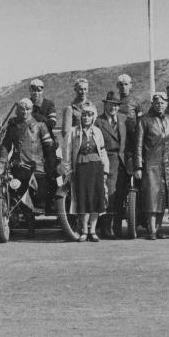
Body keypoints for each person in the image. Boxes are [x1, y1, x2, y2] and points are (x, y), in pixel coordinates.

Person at [134, 92, 169, 240]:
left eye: (163, 103)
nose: (160, 105)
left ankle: (159, 228)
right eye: (157, 102)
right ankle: (151, 229)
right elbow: (137, 145)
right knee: (152, 197)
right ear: (152, 103)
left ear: (167, 104)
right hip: (151, 165)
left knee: (164, 198)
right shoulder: (144, 121)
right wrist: (138, 166)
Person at [1, 98, 57, 237]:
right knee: (17, 195)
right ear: (17, 110)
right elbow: (5, 145)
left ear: (32, 110)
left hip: (37, 167)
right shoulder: (13, 126)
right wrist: (2, 160)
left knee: (40, 196)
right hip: (18, 166)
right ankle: (26, 224)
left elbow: (49, 147)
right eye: (21, 108)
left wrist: (51, 166)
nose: (25, 111)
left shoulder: (41, 125)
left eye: (28, 109)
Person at [61, 104, 110, 242]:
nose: (86, 117)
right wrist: (68, 171)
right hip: (81, 170)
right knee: (82, 199)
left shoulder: (97, 132)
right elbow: (67, 153)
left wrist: (105, 169)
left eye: (89, 115)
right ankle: (84, 231)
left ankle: (93, 231)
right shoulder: (73, 132)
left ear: (93, 117)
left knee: (95, 200)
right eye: (84, 115)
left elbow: (103, 151)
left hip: (96, 169)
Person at [95, 91, 128, 237]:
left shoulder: (124, 119)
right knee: (109, 195)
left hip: (123, 163)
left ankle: (118, 227)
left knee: (120, 195)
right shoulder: (98, 121)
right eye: (111, 105)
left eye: (116, 105)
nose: (113, 108)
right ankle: (106, 228)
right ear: (105, 105)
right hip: (107, 161)